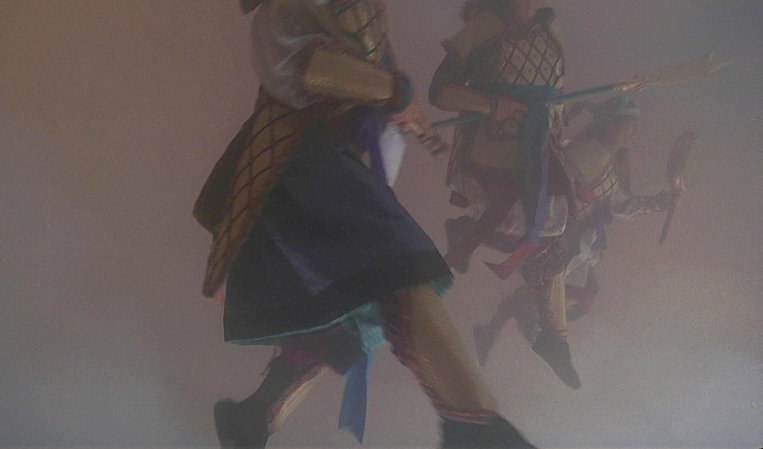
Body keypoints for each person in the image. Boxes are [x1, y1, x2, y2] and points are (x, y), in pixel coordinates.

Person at [192, 0, 536, 447]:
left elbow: (374, 79)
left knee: (347, 319)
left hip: (339, 160)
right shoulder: (282, 10)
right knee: (398, 270)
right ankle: (472, 423)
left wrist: (397, 104)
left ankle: (253, 417)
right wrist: (394, 92)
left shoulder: (361, 8)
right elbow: (305, 71)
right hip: (296, 160)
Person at [470, 97, 687, 378]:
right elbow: (552, 184)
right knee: (552, 290)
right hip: (555, 233)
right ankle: (544, 341)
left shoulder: (610, 162)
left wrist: (659, 202)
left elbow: (618, 204)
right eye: (630, 125)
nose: (635, 132)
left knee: (559, 294)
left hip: (573, 237)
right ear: (611, 125)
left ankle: (501, 332)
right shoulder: (587, 152)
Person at [428, 0, 580, 388]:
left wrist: (557, 115)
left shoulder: (551, 28)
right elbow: (440, 92)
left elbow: (556, 88)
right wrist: (490, 104)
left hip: (541, 147)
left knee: (558, 232)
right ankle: (467, 232)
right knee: (528, 227)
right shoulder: (482, 29)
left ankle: (554, 337)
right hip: (496, 153)